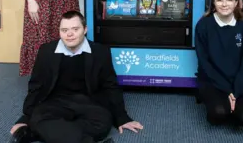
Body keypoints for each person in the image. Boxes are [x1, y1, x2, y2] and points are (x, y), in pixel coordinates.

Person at [10, 11, 143, 143]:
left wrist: (122, 117)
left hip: (89, 102)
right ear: (59, 32)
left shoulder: (100, 51)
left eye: (75, 29)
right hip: (55, 102)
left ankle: (42, 134)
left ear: (85, 29)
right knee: (38, 117)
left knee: (102, 124)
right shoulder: (47, 51)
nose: (69, 34)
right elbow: (36, 85)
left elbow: (110, 86)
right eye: (64, 30)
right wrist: (26, 117)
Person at [195, 0, 243, 128]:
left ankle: (232, 104)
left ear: (236, 2)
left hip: (238, 79)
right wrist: (226, 90)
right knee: (218, 114)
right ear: (213, 3)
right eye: (219, 0)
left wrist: (236, 91)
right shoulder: (203, 25)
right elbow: (205, 64)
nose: (224, 4)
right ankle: (210, 98)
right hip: (212, 79)